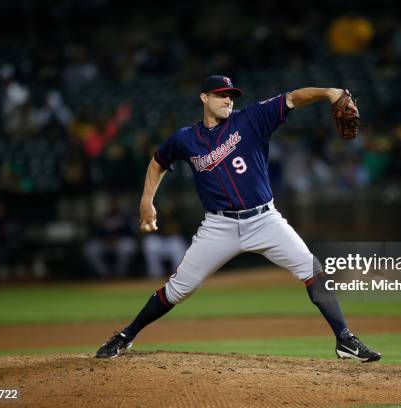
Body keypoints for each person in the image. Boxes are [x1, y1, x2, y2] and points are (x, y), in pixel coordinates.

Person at [96, 75, 381, 362]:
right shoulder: (185, 138)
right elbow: (158, 162)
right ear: (204, 98)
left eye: (231, 95)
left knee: (311, 269)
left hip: (264, 220)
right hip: (219, 226)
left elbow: (293, 98)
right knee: (178, 290)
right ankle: (126, 335)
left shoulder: (252, 118)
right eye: (220, 95)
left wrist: (329, 92)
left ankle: (345, 340)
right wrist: (147, 200)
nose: (228, 100)